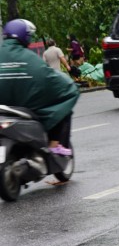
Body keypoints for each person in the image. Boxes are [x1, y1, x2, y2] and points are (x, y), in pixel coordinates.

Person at [0, 19, 79, 156]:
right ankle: (54, 145)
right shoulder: (30, 58)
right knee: (61, 106)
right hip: (27, 105)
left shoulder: (44, 54)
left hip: (4, 109)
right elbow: (46, 75)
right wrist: (70, 83)